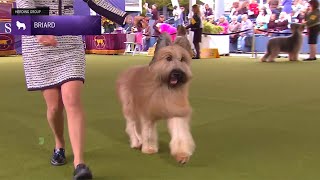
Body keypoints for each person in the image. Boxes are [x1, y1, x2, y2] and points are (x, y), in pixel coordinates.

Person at [16, 0, 139, 179]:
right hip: (39, 44)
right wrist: (38, 31)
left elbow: (95, 1)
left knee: (72, 99)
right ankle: (59, 145)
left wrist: (126, 17)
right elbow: (24, 3)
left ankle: (79, 164)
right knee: (54, 107)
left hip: (69, 42)